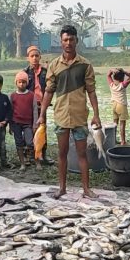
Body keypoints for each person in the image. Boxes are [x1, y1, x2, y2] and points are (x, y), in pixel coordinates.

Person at [37, 25, 101, 199]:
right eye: (65, 40)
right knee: (62, 153)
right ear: (61, 42)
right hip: (61, 116)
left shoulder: (85, 65)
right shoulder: (54, 65)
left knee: (82, 154)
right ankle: (62, 188)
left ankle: (86, 189)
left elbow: (91, 91)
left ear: (76, 41)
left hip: (80, 115)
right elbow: (48, 92)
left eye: (71, 39)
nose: (68, 43)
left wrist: (96, 114)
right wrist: (42, 114)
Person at [24, 45, 54, 166]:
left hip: (42, 105)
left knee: (42, 130)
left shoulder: (46, 72)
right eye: (32, 56)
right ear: (28, 58)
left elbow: (50, 87)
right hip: (30, 106)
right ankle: (30, 155)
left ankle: (43, 155)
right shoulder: (25, 73)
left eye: (37, 56)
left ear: (40, 57)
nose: (35, 58)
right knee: (29, 129)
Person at [11, 71, 39, 172]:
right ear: (16, 83)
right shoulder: (13, 96)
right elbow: (10, 111)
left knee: (30, 142)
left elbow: (35, 109)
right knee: (19, 144)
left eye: (23, 82)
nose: (21, 84)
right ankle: (22, 163)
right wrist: (10, 125)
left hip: (28, 123)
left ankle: (36, 161)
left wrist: (35, 123)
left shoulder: (31, 95)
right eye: (19, 82)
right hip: (16, 123)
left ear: (27, 83)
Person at [107, 68, 130, 145]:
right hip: (121, 105)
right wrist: (125, 71)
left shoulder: (111, 85)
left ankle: (113, 140)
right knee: (122, 124)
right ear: (122, 78)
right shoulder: (123, 85)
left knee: (115, 124)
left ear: (114, 77)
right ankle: (123, 141)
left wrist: (112, 70)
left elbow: (108, 75)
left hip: (114, 105)